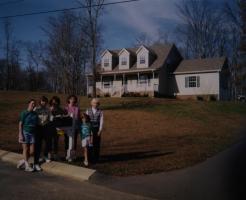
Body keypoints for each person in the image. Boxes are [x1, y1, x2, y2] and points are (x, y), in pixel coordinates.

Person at [17, 99, 38, 172]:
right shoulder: (24, 113)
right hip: (25, 132)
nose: (33, 105)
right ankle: (27, 166)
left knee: (32, 151)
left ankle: (23, 161)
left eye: (34, 104)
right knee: (25, 149)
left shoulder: (35, 114)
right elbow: (20, 124)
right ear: (28, 104)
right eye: (32, 103)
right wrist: (20, 134)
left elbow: (36, 124)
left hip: (32, 133)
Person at [34, 96, 52, 171]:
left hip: (46, 127)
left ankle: (45, 155)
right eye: (42, 101)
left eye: (44, 101)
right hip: (38, 128)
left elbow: (50, 118)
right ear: (40, 102)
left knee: (48, 143)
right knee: (38, 146)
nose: (43, 102)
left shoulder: (48, 110)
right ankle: (36, 163)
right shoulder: (36, 109)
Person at [86, 98, 103, 163]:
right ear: (91, 103)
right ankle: (89, 158)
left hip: (97, 129)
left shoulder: (100, 111)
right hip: (90, 129)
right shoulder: (88, 110)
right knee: (89, 143)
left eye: (97, 103)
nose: (95, 104)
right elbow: (86, 120)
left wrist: (100, 130)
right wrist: (88, 129)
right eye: (94, 103)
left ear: (98, 104)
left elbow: (101, 121)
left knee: (97, 143)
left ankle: (96, 158)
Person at [49, 96, 66, 160]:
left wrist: (62, 116)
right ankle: (49, 154)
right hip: (50, 127)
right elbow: (48, 118)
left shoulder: (60, 109)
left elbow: (64, 116)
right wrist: (51, 112)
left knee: (56, 141)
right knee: (50, 141)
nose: (54, 103)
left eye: (56, 102)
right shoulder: (49, 109)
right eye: (53, 102)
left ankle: (56, 154)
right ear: (51, 102)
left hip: (58, 127)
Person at [64, 95, 81, 161]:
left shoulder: (77, 108)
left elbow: (79, 118)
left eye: (74, 99)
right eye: (71, 99)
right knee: (67, 141)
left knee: (74, 141)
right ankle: (67, 155)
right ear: (69, 100)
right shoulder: (66, 108)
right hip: (67, 127)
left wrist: (79, 127)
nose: (72, 100)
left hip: (75, 127)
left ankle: (73, 155)